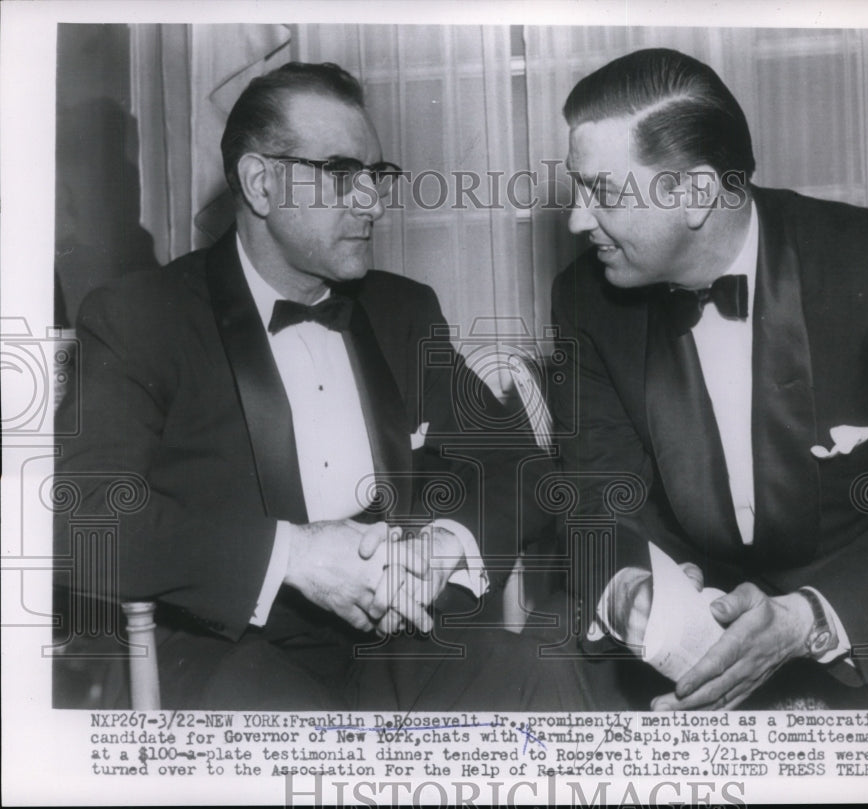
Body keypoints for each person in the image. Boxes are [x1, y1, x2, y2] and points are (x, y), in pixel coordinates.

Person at [55, 61, 589, 711]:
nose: (373, 201)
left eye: (376, 176)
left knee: (538, 673)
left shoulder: (402, 311)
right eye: (342, 175)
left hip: (401, 639)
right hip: (232, 652)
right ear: (259, 183)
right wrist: (294, 554)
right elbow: (82, 518)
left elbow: (523, 470)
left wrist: (450, 543)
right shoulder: (141, 316)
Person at [548, 48, 868, 710]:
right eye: (577, 186)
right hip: (691, 641)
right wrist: (637, 592)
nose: (576, 219)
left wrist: (804, 619)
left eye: (601, 191)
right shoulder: (582, 300)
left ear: (698, 193)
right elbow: (595, 500)